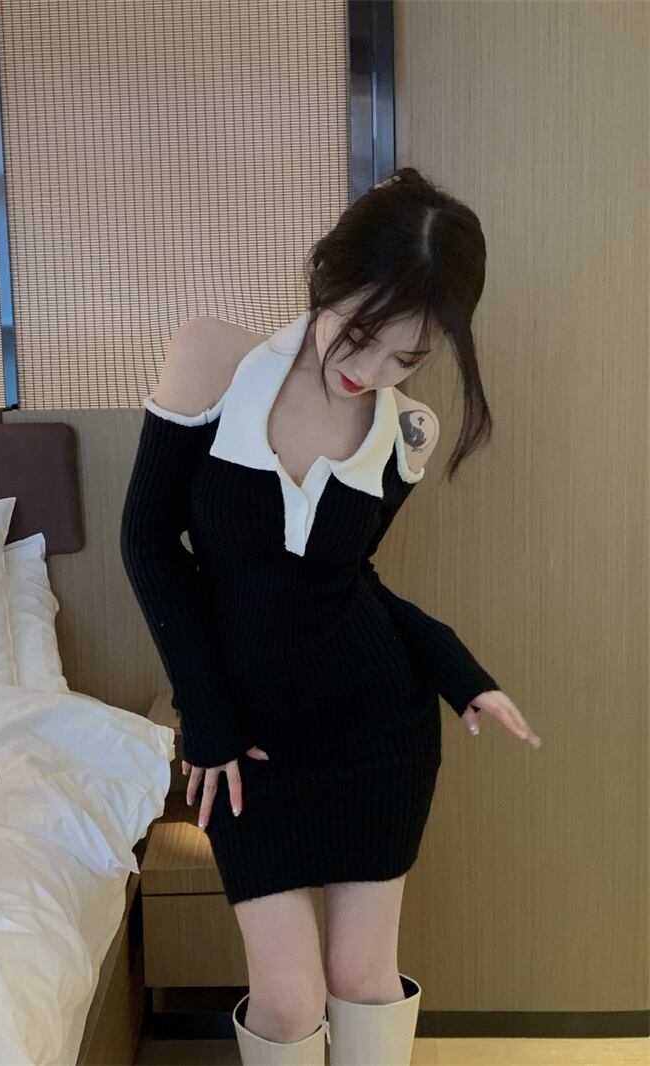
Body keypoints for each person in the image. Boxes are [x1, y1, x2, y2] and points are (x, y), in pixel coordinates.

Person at [120, 167, 541, 1066]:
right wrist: (210, 722)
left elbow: (350, 583)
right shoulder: (215, 360)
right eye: (362, 335)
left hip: (375, 730)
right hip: (244, 744)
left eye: (407, 359)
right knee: (288, 999)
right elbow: (150, 544)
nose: (371, 373)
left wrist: (459, 674)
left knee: (363, 976)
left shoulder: (408, 433)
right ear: (327, 275)